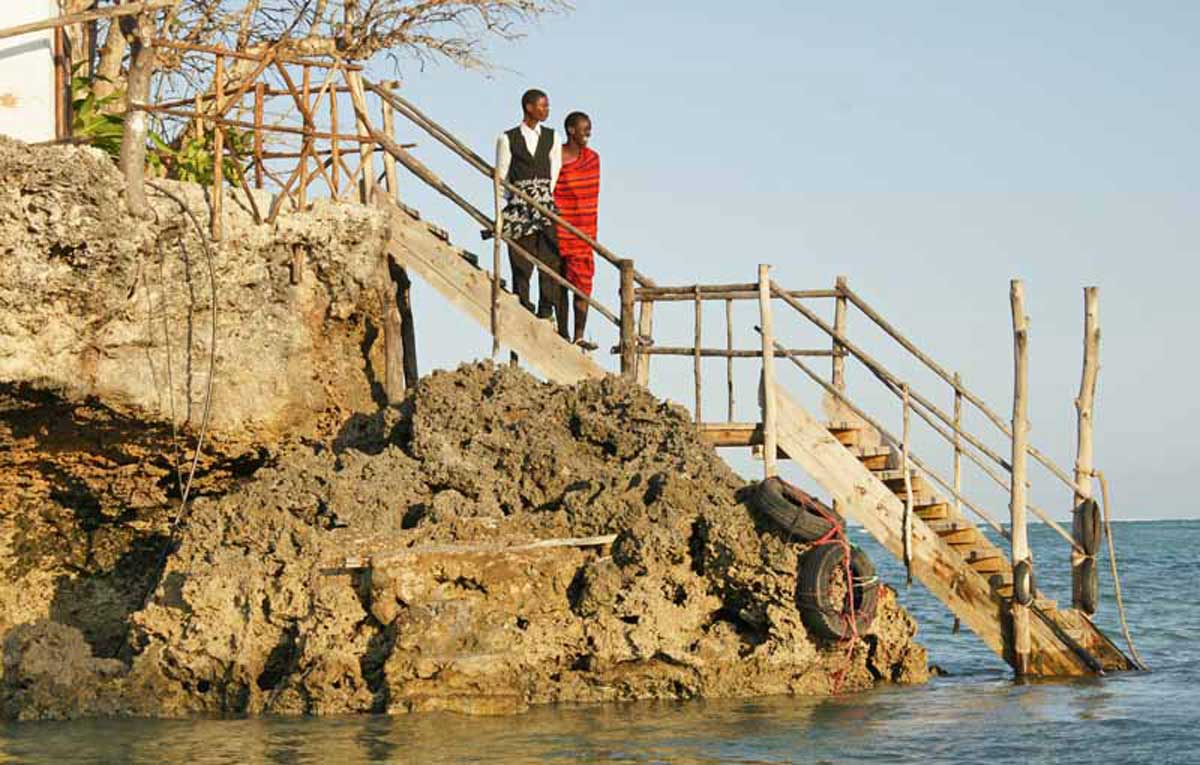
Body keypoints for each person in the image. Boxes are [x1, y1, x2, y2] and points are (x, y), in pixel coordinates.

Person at [495, 88, 568, 338]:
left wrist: (541, 195)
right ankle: (523, 306)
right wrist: (510, 204)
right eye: (542, 106)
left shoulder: (552, 136)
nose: (546, 110)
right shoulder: (507, 138)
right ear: (529, 107)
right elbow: (501, 176)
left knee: (549, 258)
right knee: (521, 262)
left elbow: (554, 170)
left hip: (544, 206)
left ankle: (546, 311)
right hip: (518, 207)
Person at [553, 111, 601, 350]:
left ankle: (579, 335)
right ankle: (562, 332)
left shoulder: (592, 159)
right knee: (557, 281)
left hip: (583, 230)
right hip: (558, 226)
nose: (588, 133)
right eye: (585, 129)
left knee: (582, 282)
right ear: (571, 130)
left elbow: (589, 193)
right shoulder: (555, 155)